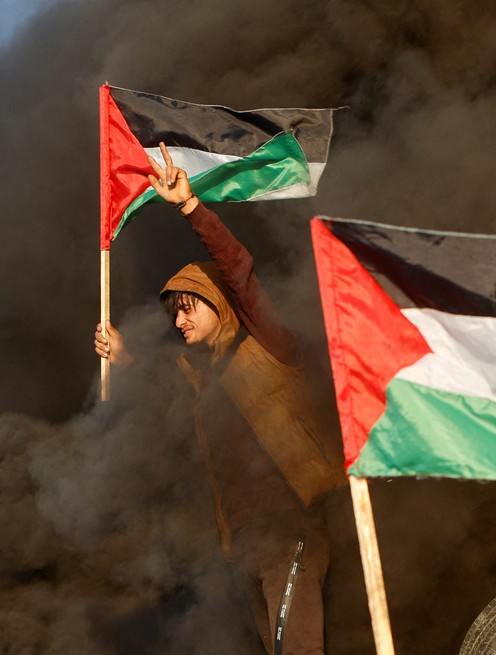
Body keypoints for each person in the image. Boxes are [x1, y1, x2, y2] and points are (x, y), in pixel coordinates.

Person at [94, 143, 345, 655]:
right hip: (245, 545)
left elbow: (239, 271)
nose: (180, 321)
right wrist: (122, 362)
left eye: (189, 308)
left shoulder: (269, 345)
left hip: (290, 525)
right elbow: (164, 400)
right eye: (174, 315)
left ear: (219, 305)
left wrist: (190, 207)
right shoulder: (202, 380)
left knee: (297, 649)